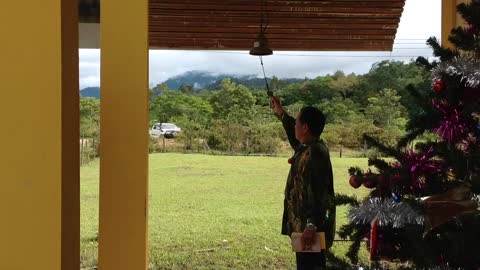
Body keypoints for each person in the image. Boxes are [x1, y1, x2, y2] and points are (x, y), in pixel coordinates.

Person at [271, 96, 336, 270]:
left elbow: (319, 192)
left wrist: (311, 224)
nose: (295, 126)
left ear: (305, 127)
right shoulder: (307, 147)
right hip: (304, 225)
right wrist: (281, 113)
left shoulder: (316, 153)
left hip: (311, 228)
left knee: (311, 266)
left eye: (297, 122)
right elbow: (295, 136)